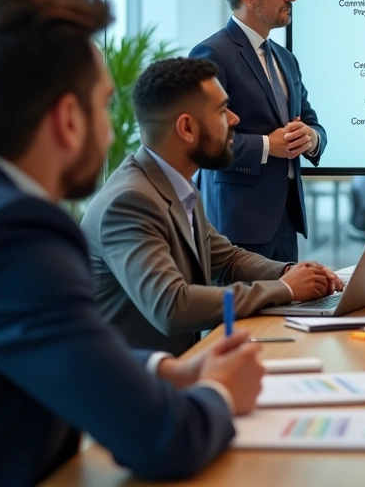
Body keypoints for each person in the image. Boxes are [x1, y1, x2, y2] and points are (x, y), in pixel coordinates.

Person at [0, 0, 265, 484]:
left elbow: (50, 348)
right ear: (67, 120)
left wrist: (162, 371)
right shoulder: (13, 236)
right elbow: (164, 440)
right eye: (103, 106)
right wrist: (221, 391)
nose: (112, 131)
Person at [84, 58, 343, 356]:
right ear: (187, 128)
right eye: (222, 110)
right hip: (133, 387)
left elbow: (227, 259)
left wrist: (289, 271)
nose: (234, 119)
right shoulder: (129, 202)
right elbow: (172, 306)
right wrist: (284, 289)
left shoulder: (176, 184)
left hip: (181, 370)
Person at [191, 0, 325, 262]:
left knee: (283, 310)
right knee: (244, 313)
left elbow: (312, 121)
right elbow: (202, 141)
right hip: (237, 226)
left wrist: (311, 137)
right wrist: (267, 146)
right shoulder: (211, 53)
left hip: (286, 221)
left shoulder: (285, 59)